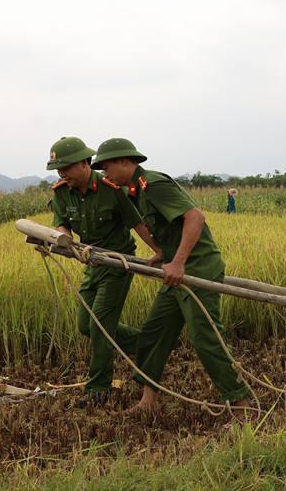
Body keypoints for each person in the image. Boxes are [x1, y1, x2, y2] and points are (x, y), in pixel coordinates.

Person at [92, 138, 250, 416]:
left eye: (106, 166)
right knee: (154, 332)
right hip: (177, 267)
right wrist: (165, 254)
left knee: (205, 337)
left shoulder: (153, 184)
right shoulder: (135, 192)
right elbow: (170, 228)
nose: (104, 173)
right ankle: (148, 401)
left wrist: (177, 262)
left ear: (125, 162)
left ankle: (242, 406)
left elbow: (195, 218)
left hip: (198, 266)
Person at [45, 136, 161, 406]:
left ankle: (98, 388)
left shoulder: (113, 190)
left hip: (118, 264)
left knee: (100, 326)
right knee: (86, 325)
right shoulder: (61, 192)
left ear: (85, 164)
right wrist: (65, 240)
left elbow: (138, 224)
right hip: (93, 264)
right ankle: (149, 346)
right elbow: (61, 223)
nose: (62, 174)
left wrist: (161, 253)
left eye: (66, 168)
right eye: (58, 170)